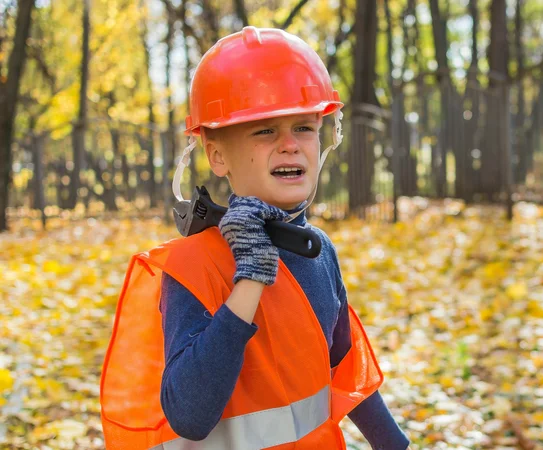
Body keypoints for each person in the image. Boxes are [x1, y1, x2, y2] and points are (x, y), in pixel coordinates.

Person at [100, 26, 410, 449]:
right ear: (217, 154)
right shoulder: (195, 267)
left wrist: (395, 445)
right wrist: (250, 275)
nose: (289, 145)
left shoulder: (318, 251)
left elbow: (343, 362)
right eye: (264, 130)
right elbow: (190, 414)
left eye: (303, 127)